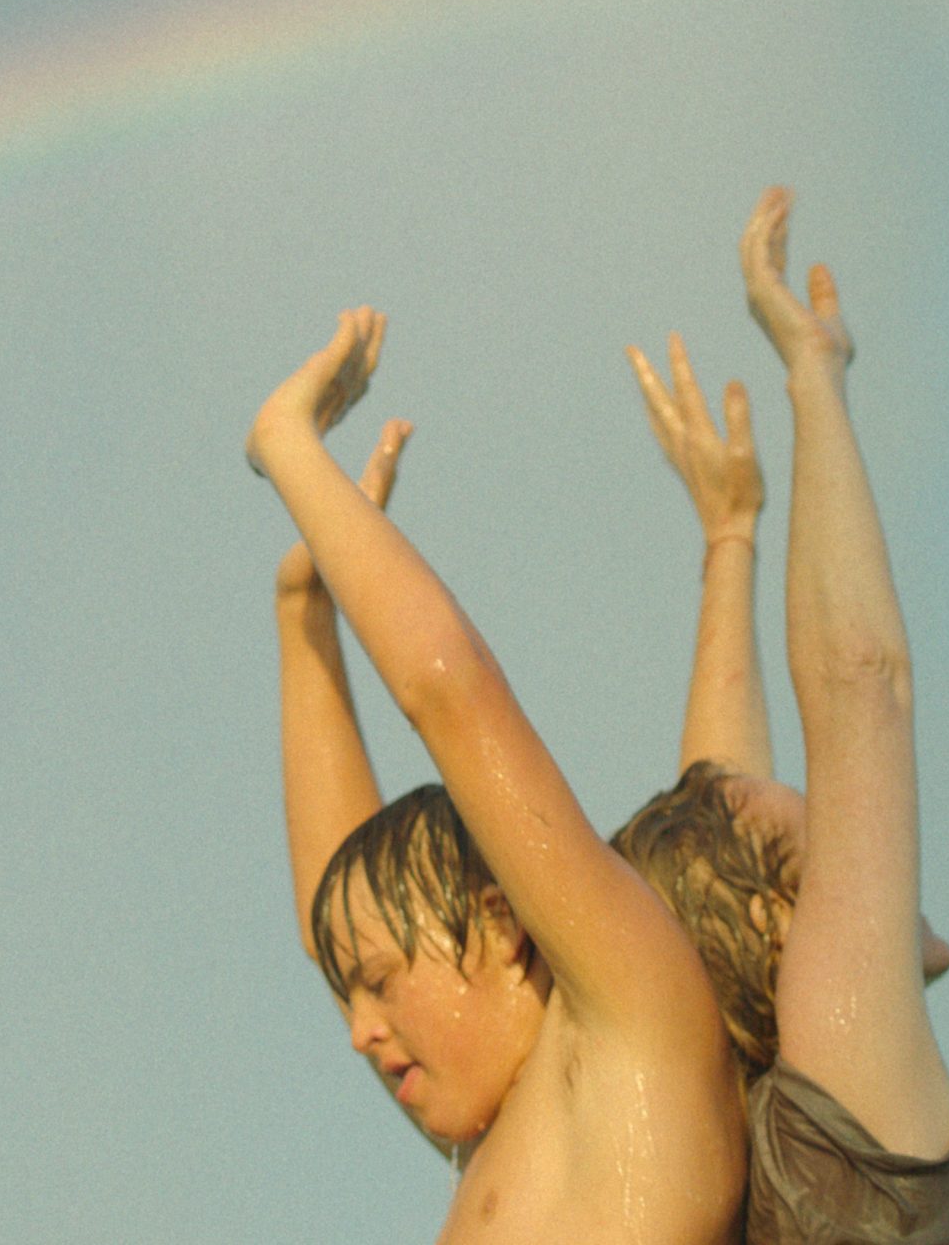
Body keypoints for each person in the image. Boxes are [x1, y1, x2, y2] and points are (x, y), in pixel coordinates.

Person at [616, 188, 949, 1243]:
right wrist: (814, 373)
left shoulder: (771, 1153)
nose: (854, 833)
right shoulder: (846, 1108)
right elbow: (859, 684)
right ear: (784, 930)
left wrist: (731, 535)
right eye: (813, 840)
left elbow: (714, 832)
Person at [249, 309, 745, 1243]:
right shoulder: (500, 1142)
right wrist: (304, 615)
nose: (358, 1031)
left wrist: (292, 451)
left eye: (381, 983)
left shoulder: (634, 1027)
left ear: (503, 924)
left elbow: (453, 694)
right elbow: (333, 916)